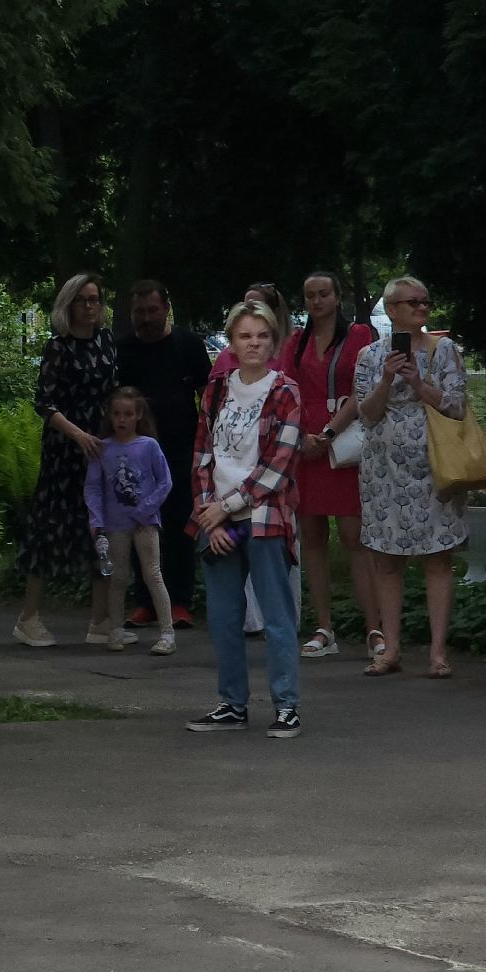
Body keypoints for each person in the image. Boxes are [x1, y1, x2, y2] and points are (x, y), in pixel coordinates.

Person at [184, 300, 304, 738]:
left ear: (273, 341)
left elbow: (278, 466)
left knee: (276, 617)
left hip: (263, 518)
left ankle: (286, 705)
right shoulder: (215, 391)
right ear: (231, 342)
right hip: (216, 519)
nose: (254, 343)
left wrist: (227, 508)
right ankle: (232, 704)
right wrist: (209, 517)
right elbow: (201, 456)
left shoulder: (285, 391)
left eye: (262, 336)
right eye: (245, 336)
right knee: (223, 617)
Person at [353, 276, 468, 679]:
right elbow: (365, 413)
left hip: (435, 465)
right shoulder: (370, 355)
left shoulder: (444, 350)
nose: (421, 307)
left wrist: (419, 383)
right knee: (387, 561)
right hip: (384, 470)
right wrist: (387, 379)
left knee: (438, 559)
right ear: (392, 309)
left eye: (425, 301)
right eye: (412, 302)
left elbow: (456, 406)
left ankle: (438, 653)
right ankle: (391, 650)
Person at [273, 272, 381, 661]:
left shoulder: (359, 336)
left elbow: (362, 389)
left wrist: (329, 433)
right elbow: (285, 389)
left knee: (355, 537)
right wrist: (302, 437)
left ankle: (374, 628)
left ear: (337, 298)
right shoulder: (294, 343)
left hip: (342, 444)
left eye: (324, 294)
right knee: (312, 537)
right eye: (310, 296)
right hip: (305, 447)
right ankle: (324, 627)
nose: (317, 301)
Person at [15, 273, 119, 647]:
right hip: (66, 447)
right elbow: (44, 402)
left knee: (101, 526)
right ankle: (28, 616)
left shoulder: (107, 341)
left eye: (95, 299)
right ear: (69, 304)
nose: (90, 306)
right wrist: (77, 435)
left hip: (103, 445)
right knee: (51, 525)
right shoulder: (57, 347)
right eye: (82, 300)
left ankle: (100, 619)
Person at [114, 280, 210, 629]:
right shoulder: (122, 350)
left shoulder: (189, 345)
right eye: (139, 312)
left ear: (166, 308)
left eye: (153, 310)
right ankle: (145, 602)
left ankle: (181, 602)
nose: (146, 318)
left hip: (182, 449)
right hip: (136, 455)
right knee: (140, 522)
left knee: (181, 524)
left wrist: (209, 444)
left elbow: (208, 398)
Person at [84, 387, 176, 656]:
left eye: (127, 414)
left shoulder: (148, 446)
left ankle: (167, 632)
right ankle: (114, 630)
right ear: (109, 417)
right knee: (118, 576)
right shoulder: (103, 448)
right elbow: (93, 487)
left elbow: (165, 482)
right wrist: (96, 520)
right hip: (115, 525)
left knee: (152, 574)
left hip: (145, 523)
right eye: (116, 414)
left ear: (138, 416)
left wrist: (145, 510)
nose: (121, 420)